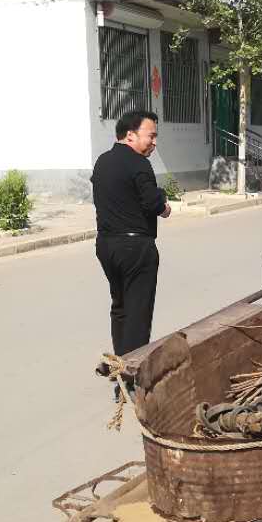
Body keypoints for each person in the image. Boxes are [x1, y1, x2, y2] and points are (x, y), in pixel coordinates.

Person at [91, 109, 170, 357]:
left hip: (106, 246)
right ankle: (131, 375)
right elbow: (152, 203)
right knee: (138, 313)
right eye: (151, 136)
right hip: (135, 248)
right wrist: (164, 205)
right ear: (130, 135)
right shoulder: (139, 163)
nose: (154, 143)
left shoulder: (102, 161)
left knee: (120, 307)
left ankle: (121, 366)